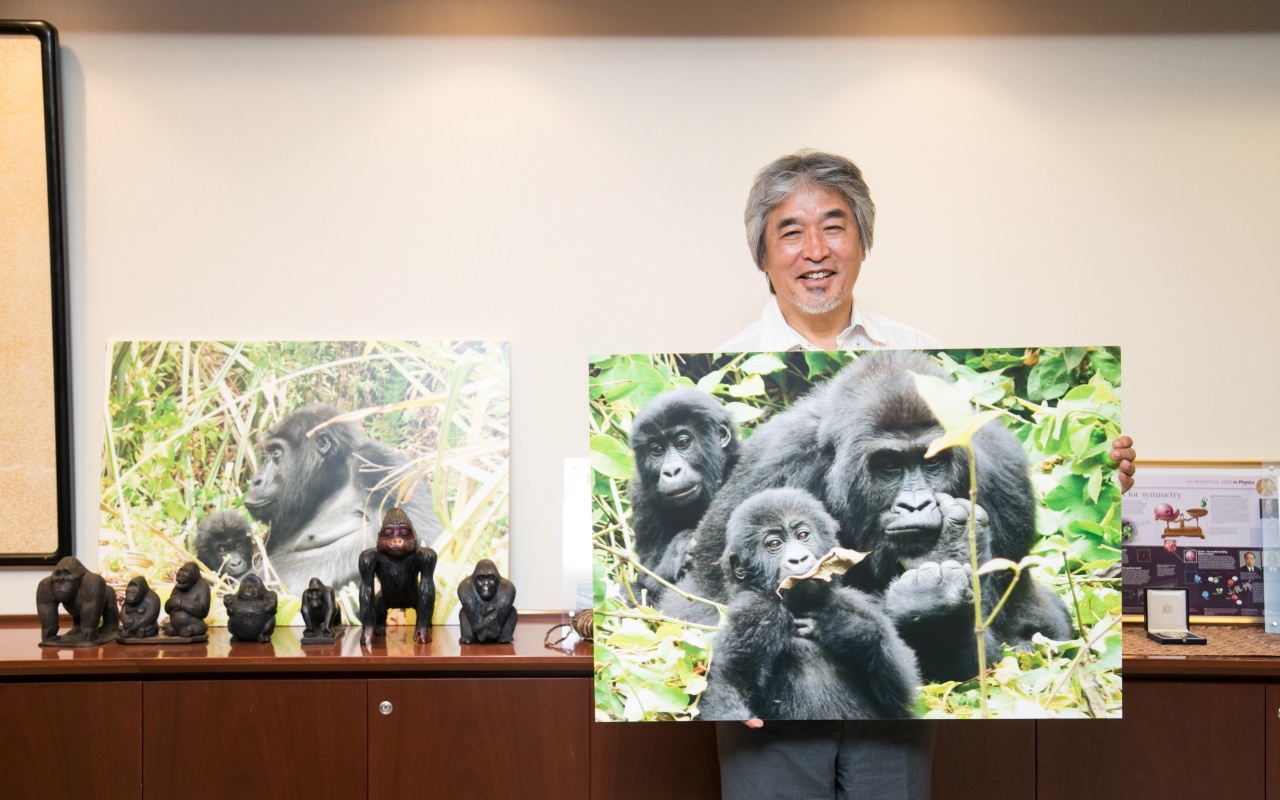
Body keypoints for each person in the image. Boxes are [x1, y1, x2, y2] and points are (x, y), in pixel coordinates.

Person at [714, 150, 1137, 800]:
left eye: (834, 226)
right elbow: (707, 579)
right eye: (790, 231)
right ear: (763, 254)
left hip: (905, 699)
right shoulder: (772, 433)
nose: (815, 250)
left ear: (862, 241)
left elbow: (1018, 599)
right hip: (792, 686)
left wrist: (1113, 475)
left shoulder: (968, 418)